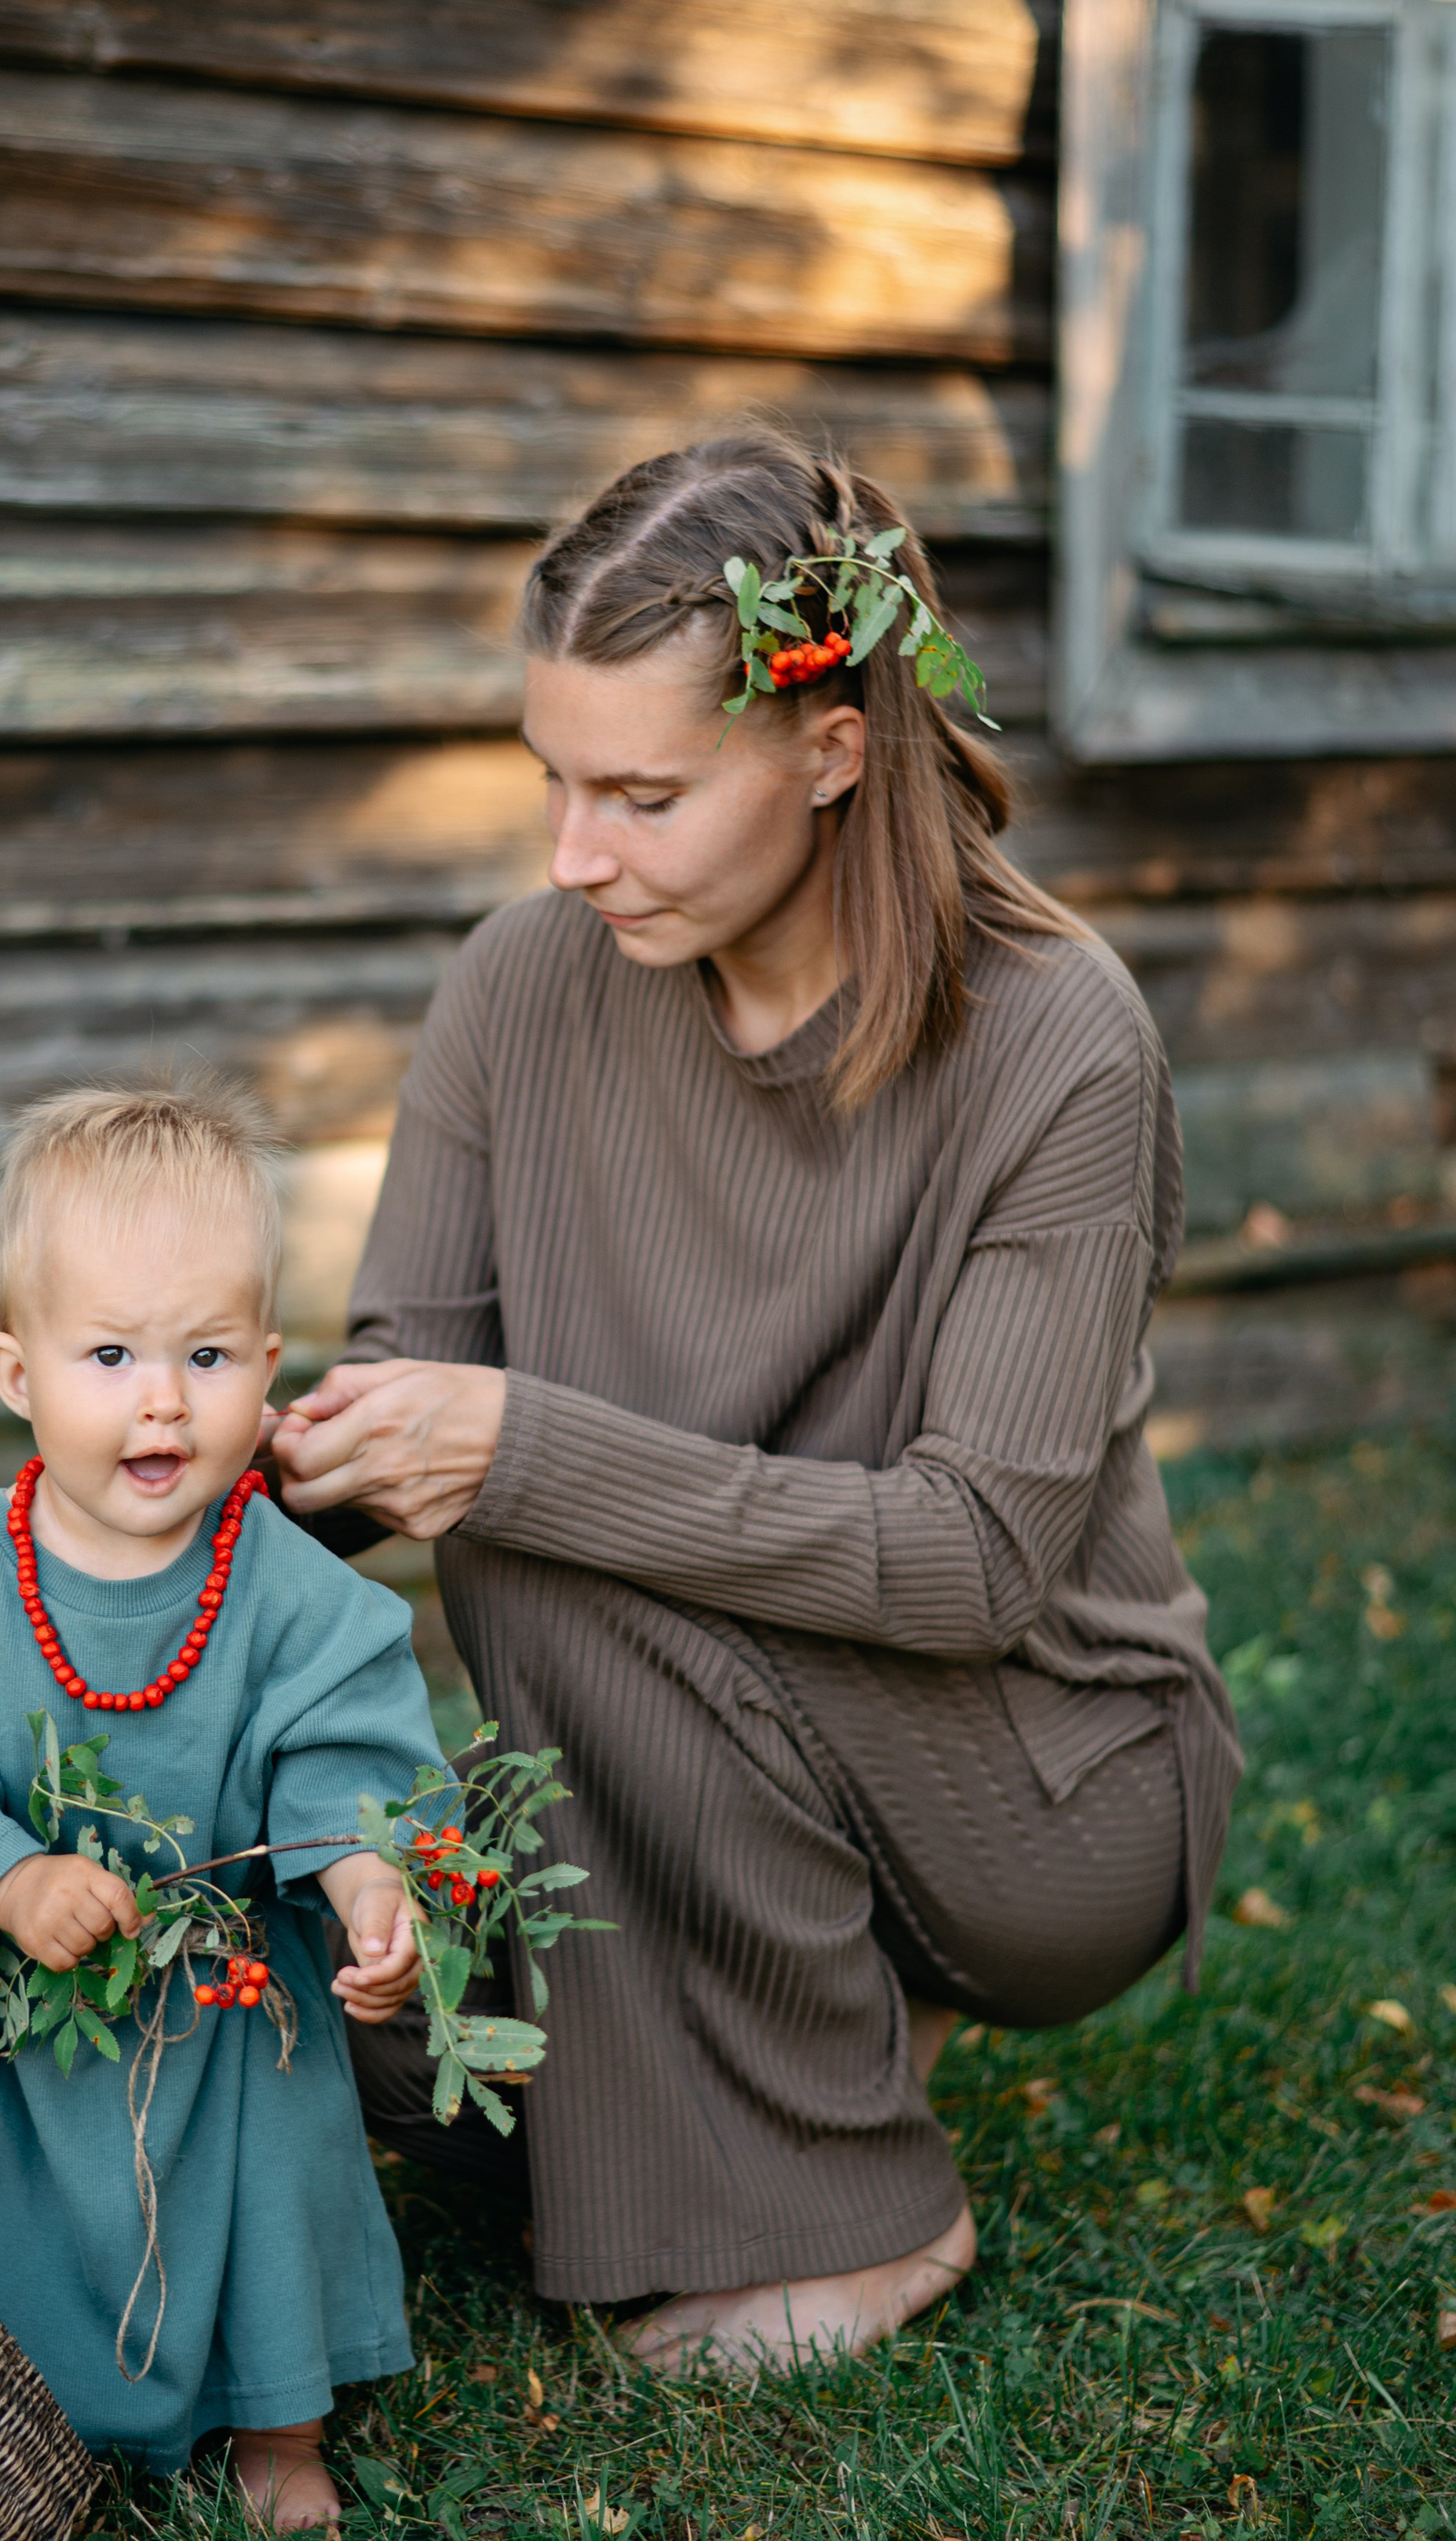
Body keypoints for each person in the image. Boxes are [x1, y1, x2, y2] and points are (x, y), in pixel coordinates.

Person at [271, 432, 1241, 2374]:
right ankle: (762, 2050)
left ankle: (863, 2216)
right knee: (361, 2038)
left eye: (640, 794)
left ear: (828, 747)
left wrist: (509, 1452)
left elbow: (973, 1565)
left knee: (536, 1538)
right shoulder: (516, 990)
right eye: (553, 782)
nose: (571, 854)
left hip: (1035, 1782)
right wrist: (190, 1462)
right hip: (676, 1734)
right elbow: (407, 1395)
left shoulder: (1053, 1037)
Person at [0, 1078, 444, 2525]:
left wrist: (367, 1889)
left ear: (270, 1367)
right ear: (15, 1371)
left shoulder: (291, 1592)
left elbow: (341, 1752)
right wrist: (1, 1876)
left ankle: (277, 2432)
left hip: (223, 1999)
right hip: (23, 2024)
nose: (162, 1396)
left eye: (208, 1352)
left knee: (270, 2170)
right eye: (109, 1352)